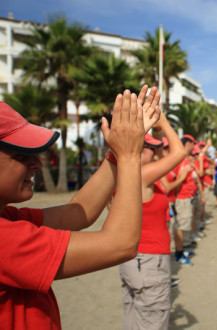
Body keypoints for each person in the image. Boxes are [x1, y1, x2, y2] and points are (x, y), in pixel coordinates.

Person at [0, 86, 160, 328]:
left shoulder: (7, 217)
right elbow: (120, 245)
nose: (37, 163)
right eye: (22, 156)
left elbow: (77, 212)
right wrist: (129, 155)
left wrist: (118, 152)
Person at [119, 109, 185, 329]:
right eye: (151, 148)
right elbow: (178, 153)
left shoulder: (123, 173)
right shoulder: (141, 175)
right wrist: (164, 122)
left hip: (132, 258)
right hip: (149, 260)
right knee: (152, 320)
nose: (156, 153)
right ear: (139, 151)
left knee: (133, 315)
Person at [172, 134, 201, 266]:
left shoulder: (184, 158)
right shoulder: (180, 159)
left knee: (184, 226)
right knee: (180, 227)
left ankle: (181, 250)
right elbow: (177, 180)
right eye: (193, 143)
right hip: (182, 198)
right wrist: (183, 175)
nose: (194, 146)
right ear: (187, 143)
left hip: (187, 197)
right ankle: (179, 253)